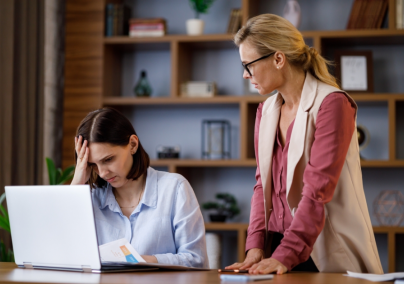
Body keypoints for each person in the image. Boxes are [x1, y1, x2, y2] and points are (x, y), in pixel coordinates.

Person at [226, 14, 383, 275]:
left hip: (324, 252)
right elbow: (262, 184)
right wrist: (255, 246)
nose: (245, 75)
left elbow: (316, 192)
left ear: (278, 59)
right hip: (277, 248)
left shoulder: (333, 104)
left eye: (248, 65)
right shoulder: (265, 111)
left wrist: (285, 256)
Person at [70, 107, 209, 268]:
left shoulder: (175, 189)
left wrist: (139, 261)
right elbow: (66, 255)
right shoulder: (90, 199)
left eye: (108, 159)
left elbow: (195, 260)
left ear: (133, 145)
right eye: (93, 164)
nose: (102, 173)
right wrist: (77, 184)